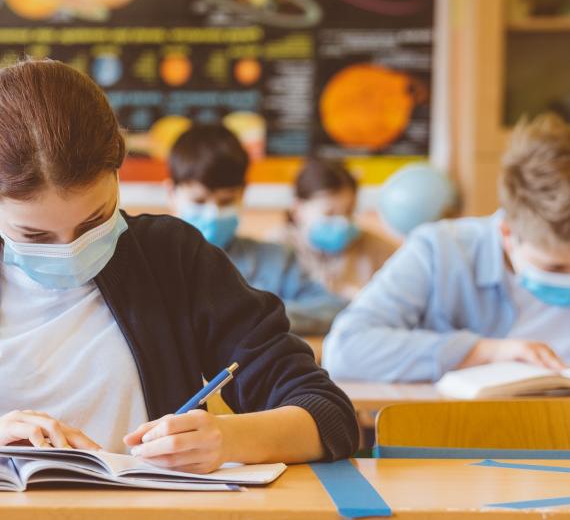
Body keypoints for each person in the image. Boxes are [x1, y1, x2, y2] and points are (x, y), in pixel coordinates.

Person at [0, 59, 358, 474]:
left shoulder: (172, 257)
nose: (71, 249)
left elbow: (329, 415)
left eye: (94, 221)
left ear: (118, 173)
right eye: (36, 237)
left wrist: (228, 438)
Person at [323, 113, 570, 382]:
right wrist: (484, 352)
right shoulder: (440, 251)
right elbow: (345, 351)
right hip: (467, 423)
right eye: (555, 267)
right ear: (507, 232)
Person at [166, 126, 347, 336]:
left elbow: (334, 308)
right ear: (171, 193)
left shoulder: (276, 259)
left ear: (243, 194)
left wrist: (259, 313)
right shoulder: (149, 263)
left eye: (226, 201)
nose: (212, 213)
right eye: (199, 200)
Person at [272, 159, 396, 300]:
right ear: (297, 209)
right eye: (329, 213)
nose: (342, 222)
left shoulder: (377, 248)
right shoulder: (275, 250)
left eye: (349, 212)